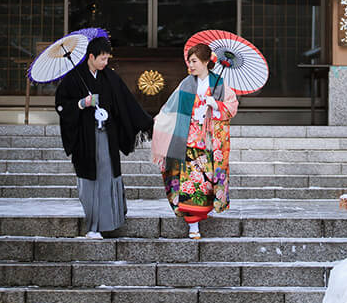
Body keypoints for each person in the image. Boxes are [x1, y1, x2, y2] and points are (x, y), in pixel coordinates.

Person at [55, 35, 153, 238]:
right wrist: (83, 103)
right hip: (85, 138)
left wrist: (148, 123)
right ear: (91, 56)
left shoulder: (110, 77)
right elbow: (62, 105)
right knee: (90, 179)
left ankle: (109, 223)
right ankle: (93, 226)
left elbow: (127, 102)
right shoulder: (74, 78)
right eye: (103, 59)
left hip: (107, 136)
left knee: (108, 176)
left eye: (107, 59)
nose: (106, 63)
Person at [151, 41, 238, 239]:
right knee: (191, 183)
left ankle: (202, 216)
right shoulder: (186, 84)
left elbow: (232, 107)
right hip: (188, 141)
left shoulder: (220, 84)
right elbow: (170, 107)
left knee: (206, 184)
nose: (190, 65)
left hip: (209, 142)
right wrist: (160, 120)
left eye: (194, 61)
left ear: (206, 62)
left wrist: (214, 104)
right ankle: (193, 226)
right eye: (189, 61)